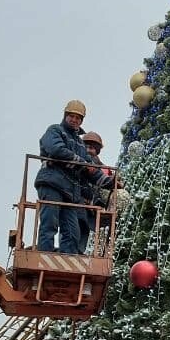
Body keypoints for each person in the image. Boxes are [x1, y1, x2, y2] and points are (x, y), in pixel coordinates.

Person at [36, 100, 112, 254]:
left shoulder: (79, 143)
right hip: (52, 182)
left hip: (70, 192)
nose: (74, 120)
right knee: (50, 222)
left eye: (78, 118)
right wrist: (81, 163)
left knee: (72, 231)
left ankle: (68, 258)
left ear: (81, 121)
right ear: (65, 116)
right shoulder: (55, 130)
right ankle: (44, 254)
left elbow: (92, 169)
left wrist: (111, 183)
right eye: (71, 116)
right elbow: (56, 149)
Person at [77, 131, 112, 253]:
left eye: (91, 148)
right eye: (85, 147)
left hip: (93, 209)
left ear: (97, 150)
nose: (88, 150)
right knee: (71, 231)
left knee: (87, 233)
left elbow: (107, 185)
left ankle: (81, 255)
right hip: (76, 204)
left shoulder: (104, 169)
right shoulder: (77, 163)